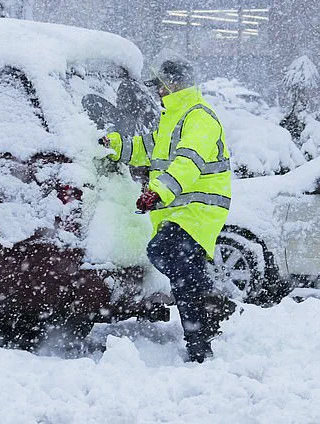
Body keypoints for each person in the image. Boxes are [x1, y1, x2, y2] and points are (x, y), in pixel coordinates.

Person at [99, 59, 235, 363]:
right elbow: (146, 148)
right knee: (183, 271)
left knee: (166, 253)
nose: (158, 91)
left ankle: (201, 332)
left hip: (200, 208)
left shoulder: (199, 116)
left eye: (162, 85)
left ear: (177, 83)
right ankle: (205, 313)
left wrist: (158, 192)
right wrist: (115, 145)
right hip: (179, 210)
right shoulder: (171, 117)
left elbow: (188, 161)